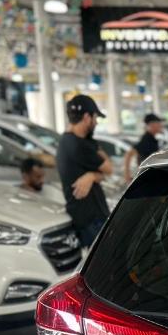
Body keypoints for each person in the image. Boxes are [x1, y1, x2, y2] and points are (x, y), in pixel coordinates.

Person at [56, 94, 113, 248]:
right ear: (87, 117)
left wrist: (92, 176)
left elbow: (102, 175)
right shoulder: (79, 145)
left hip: (89, 217)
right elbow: (109, 168)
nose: (96, 122)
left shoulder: (69, 141)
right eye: (95, 118)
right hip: (91, 220)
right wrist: (94, 175)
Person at [123, 112, 164, 182]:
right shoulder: (147, 139)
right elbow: (128, 154)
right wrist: (127, 174)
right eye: (158, 123)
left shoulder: (152, 139)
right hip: (147, 178)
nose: (161, 125)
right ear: (151, 125)